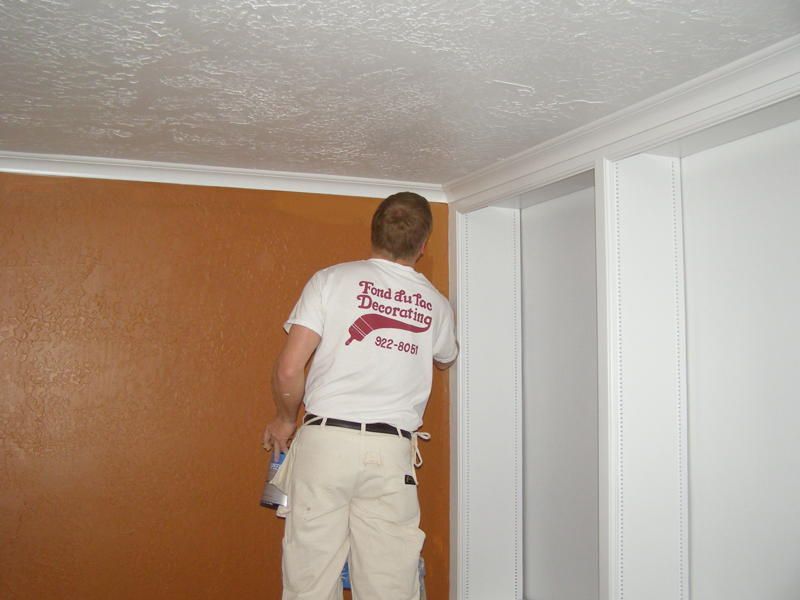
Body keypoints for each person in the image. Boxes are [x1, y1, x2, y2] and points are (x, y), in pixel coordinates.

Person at [263, 191, 458, 600]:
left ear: (373, 233)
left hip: (325, 445)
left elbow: (288, 368)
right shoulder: (437, 305)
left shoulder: (331, 280)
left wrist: (284, 419)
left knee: (310, 580)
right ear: (423, 246)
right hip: (390, 454)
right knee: (390, 584)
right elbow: (445, 359)